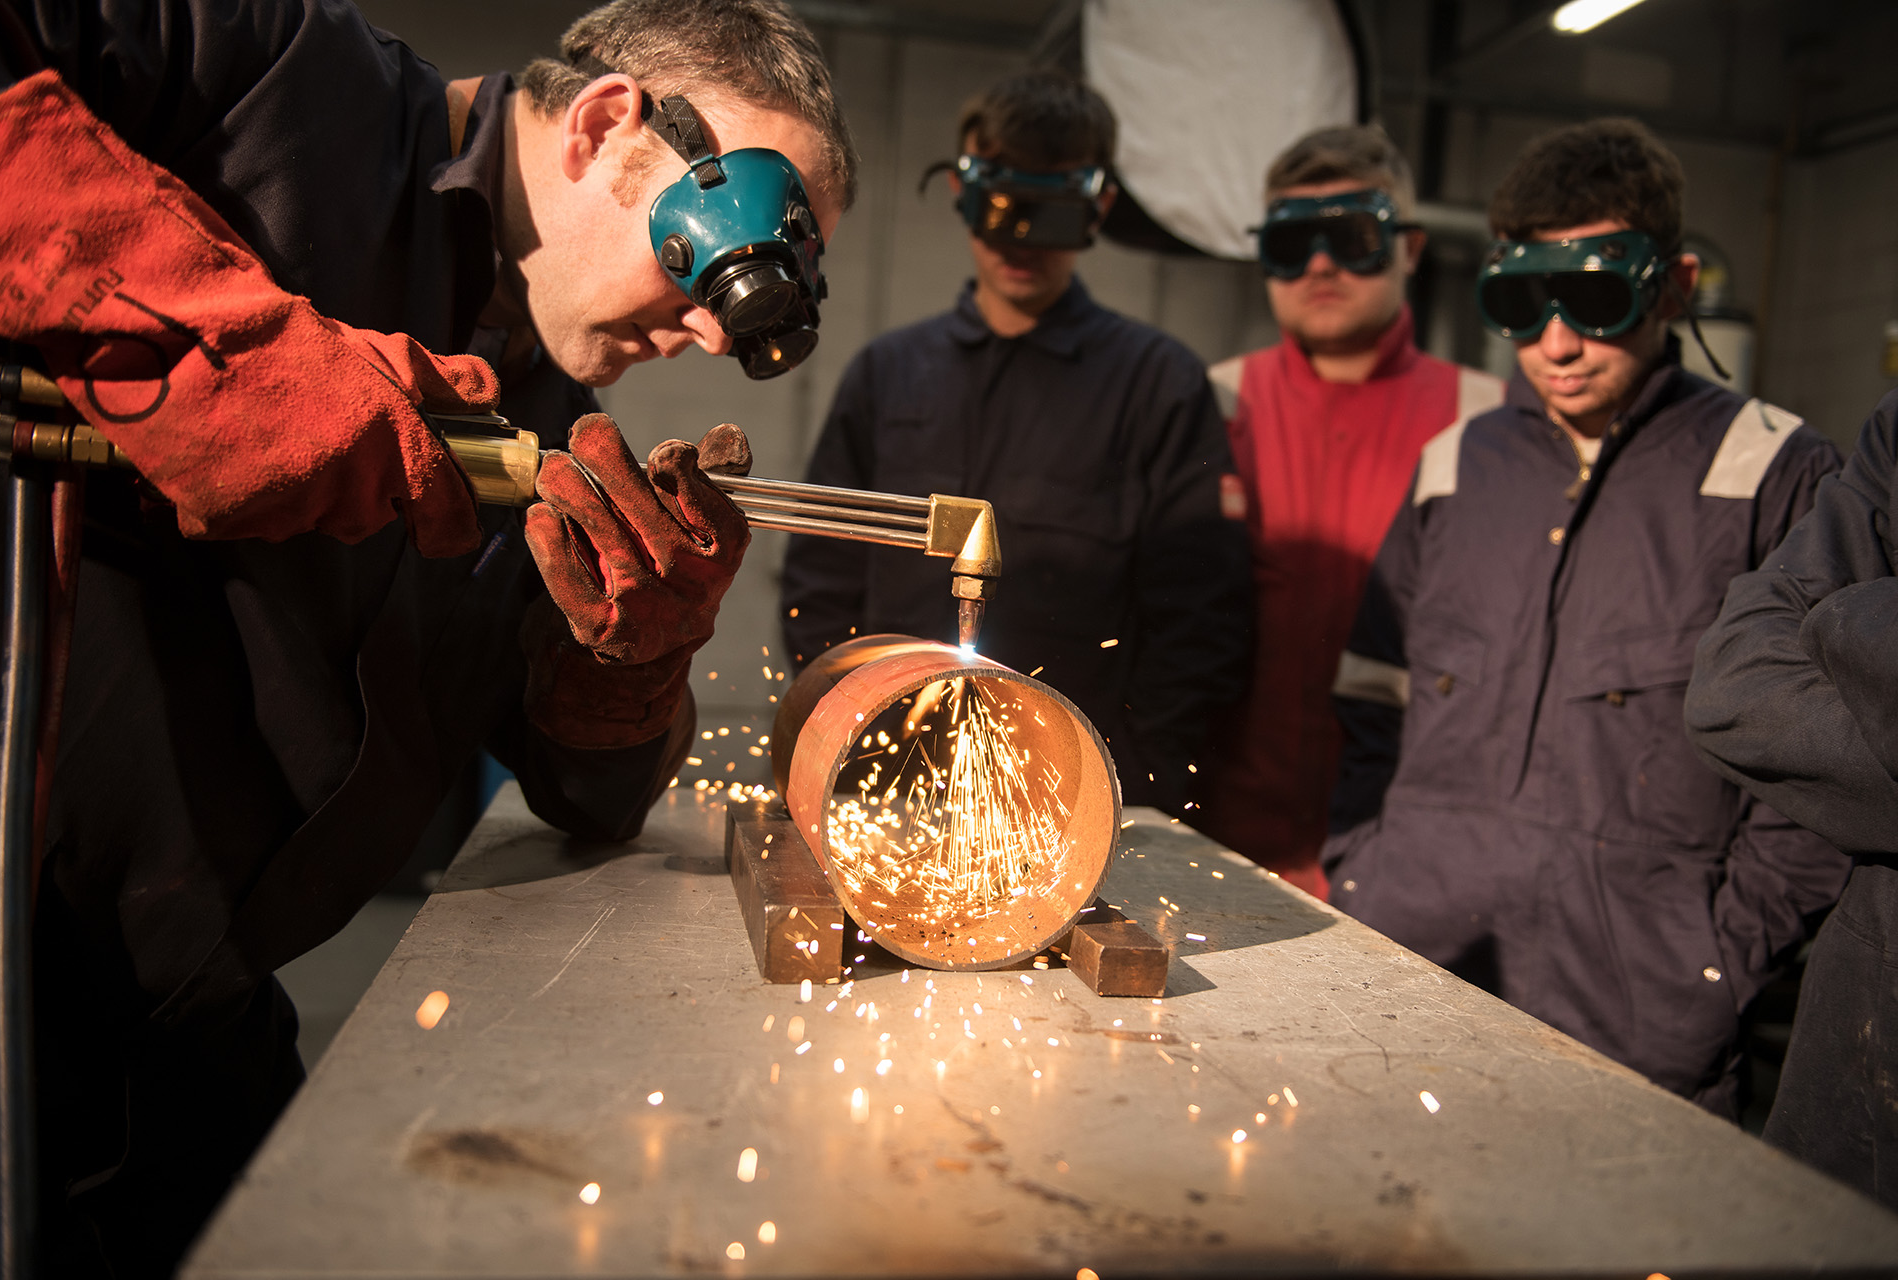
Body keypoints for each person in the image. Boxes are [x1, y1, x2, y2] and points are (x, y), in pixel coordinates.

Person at [0, 0, 854, 1270]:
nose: (717, 330)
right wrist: (218, 332)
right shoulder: (265, 67)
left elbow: (582, 797)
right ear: (609, 126)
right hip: (8, 971)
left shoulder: (556, 427)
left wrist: (627, 664)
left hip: (186, 1031)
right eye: (721, 252)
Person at [1320, 117, 1849, 1118]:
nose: (1556, 343)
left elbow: (1817, 772)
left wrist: (1713, 964)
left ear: (1677, 285)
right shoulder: (1454, 467)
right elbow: (1370, 692)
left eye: (1596, 299)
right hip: (1409, 970)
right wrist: (1366, 875)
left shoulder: (1776, 476)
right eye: (1522, 304)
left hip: (1638, 1023)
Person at [778, 70, 1248, 814]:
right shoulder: (888, 374)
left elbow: (1198, 618)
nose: (1018, 238)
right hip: (884, 775)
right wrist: (849, 734)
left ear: (1098, 209)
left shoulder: (1158, 384)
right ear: (964, 193)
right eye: (998, 206)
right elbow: (820, 576)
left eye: (1046, 212)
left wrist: (1122, 783)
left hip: (1067, 792)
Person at [1188, 125, 1503, 897]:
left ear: (1411, 249)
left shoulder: (1489, 424)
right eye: (1294, 242)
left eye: (1353, 237)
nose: (1321, 265)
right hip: (1217, 846)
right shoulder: (1207, 404)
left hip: (1409, 867)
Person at [1685, 390, 1898, 1202]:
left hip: (1670, 988)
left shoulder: (1774, 456)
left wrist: (1711, 961)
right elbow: (1731, 691)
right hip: (1850, 1101)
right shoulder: (1895, 432)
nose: (1560, 340)